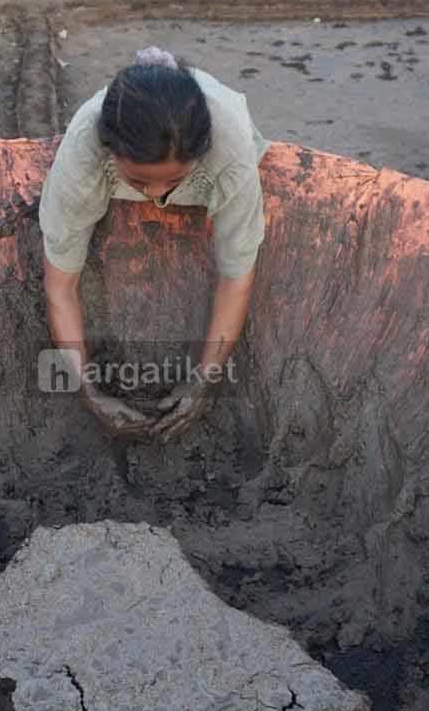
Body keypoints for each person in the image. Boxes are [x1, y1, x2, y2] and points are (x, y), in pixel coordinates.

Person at [40, 47, 269, 444]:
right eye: (141, 182)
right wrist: (89, 391)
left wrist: (205, 381)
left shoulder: (230, 153)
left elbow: (236, 278)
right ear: (112, 153)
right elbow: (60, 285)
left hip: (218, 151)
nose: (156, 195)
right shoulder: (83, 154)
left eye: (173, 180)